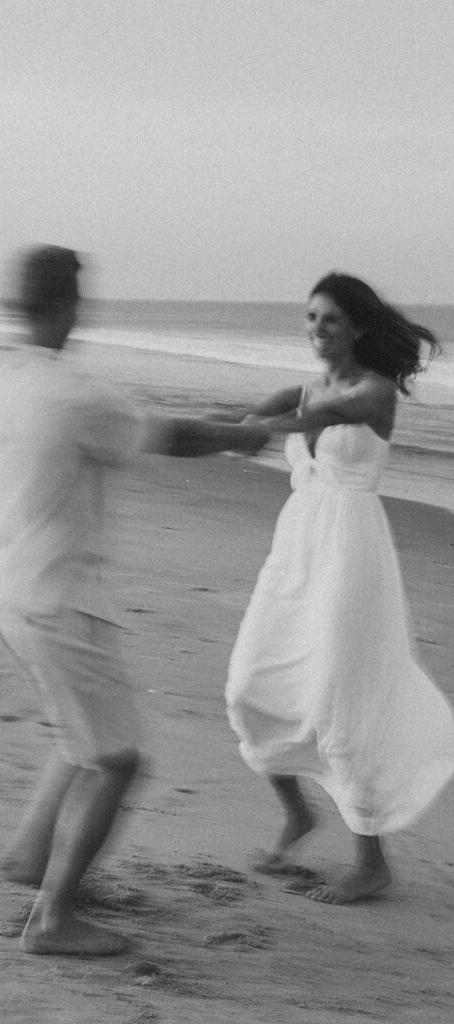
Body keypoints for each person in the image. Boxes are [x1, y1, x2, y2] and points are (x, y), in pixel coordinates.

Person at [0, 244, 269, 955]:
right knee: (117, 759)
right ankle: (53, 919)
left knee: (79, 739)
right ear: (70, 305)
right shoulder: (70, 395)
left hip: (5, 595)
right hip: (59, 602)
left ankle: (28, 858)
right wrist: (241, 435)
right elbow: (166, 435)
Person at [225, 272, 454, 904]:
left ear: (356, 326)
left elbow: (319, 416)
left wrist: (262, 426)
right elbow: (252, 424)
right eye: (309, 318)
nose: (316, 330)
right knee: (250, 684)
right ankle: (298, 813)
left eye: (329, 319)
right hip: (297, 550)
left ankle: (371, 861)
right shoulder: (304, 390)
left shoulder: (374, 392)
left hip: (352, 553)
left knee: (342, 700)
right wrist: (217, 429)